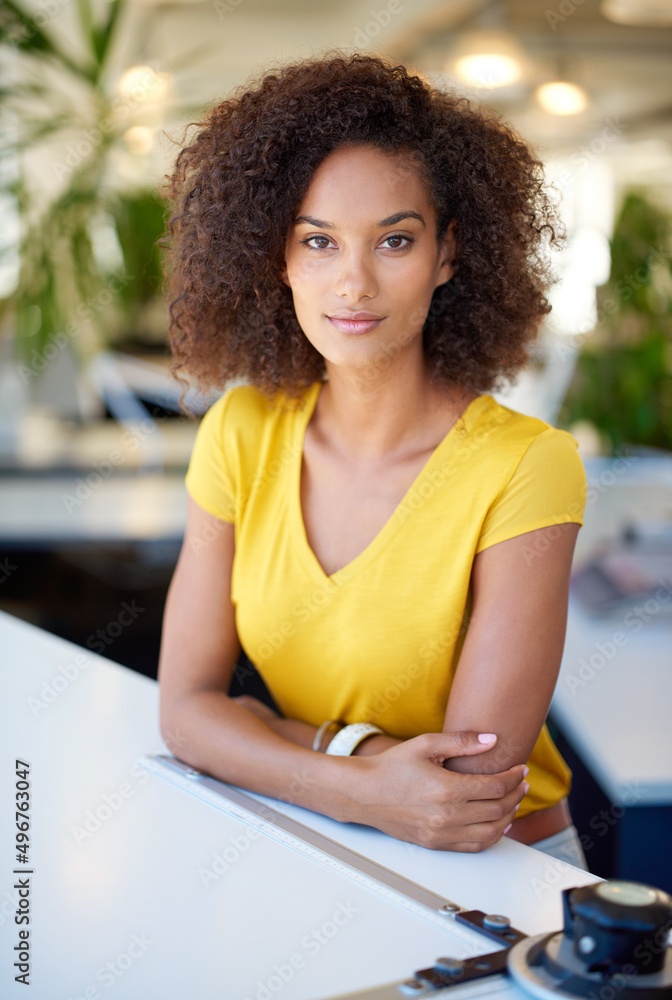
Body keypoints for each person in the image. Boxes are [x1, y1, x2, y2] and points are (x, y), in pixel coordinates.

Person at [158, 51, 588, 868]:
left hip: (506, 871)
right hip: (331, 834)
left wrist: (258, 731)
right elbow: (183, 711)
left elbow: (466, 787)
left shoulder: (528, 465)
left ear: (448, 255)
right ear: (276, 259)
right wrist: (353, 769)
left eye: (394, 240)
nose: (353, 284)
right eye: (317, 241)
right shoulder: (240, 434)